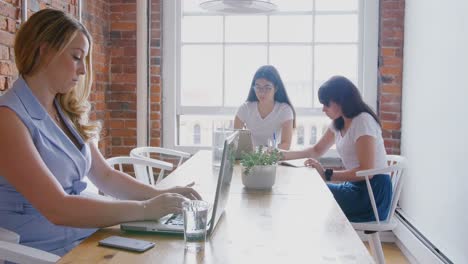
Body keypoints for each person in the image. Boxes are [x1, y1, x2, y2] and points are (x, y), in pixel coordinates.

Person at [0, 9, 201, 256]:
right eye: (76, 57)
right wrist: (147, 208)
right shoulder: (7, 119)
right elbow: (57, 208)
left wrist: (162, 196)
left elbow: (105, 176)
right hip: (47, 253)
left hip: (89, 236)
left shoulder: (63, 109)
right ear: (44, 52)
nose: (83, 70)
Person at [281, 75, 392, 222]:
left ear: (341, 101)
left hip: (372, 194)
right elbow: (316, 151)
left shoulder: (363, 121)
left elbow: (368, 170)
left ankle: (326, 239)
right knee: (309, 192)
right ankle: (331, 239)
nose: (323, 109)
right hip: (356, 188)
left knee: (310, 193)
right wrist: (281, 155)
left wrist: (327, 174)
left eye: (326, 104)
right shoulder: (338, 123)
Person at [234, 65, 296, 150]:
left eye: (267, 88)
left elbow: (286, 145)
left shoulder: (284, 110)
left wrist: (262, 152)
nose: (262, 92)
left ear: (276, 88)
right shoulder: (245, 109)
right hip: (250, 159)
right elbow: (234, 140)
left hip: (274, 158)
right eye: (258, 87)